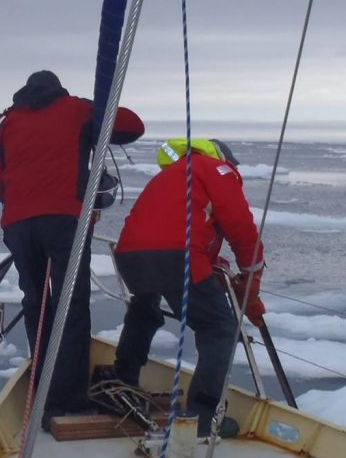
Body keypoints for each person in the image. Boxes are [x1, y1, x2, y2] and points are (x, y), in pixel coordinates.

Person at [0, 71, 145, 422]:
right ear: (59, 90)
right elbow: (132, 126)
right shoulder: (75, 110)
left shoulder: (8, 123)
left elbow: (0, 188)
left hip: (18, 226)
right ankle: (68, 402)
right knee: (70, 308)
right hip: (64, 222)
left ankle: (43, 392)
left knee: (37, 304)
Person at [110, 137, 265, 437]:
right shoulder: (217, 170)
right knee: (220, 329)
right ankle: (201, 422)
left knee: (144, 308)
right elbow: (242, 229)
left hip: (130, 255)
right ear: (223, 158)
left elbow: (177, 224)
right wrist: (251, 283)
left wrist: (209, 265)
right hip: (177, 257)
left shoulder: (170, 174)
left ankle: (124, 378)